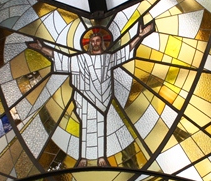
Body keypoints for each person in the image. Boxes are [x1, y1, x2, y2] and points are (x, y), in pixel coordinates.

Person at [27, 21, 154, 167]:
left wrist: (140, 36)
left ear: (102, 42)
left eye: (98, 40)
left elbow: (125, 51)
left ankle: (101, 157)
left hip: (102, 99)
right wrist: (42, 48)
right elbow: (61, 58)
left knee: (100, 128)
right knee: (86, 128)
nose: (95, 43)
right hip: (85, 99)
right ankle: (84, 158)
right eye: (92, 41)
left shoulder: (108, 58)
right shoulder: (80, 59)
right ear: (89, 43)